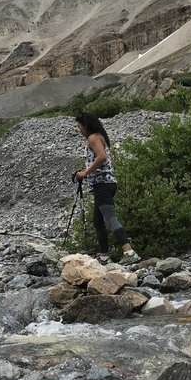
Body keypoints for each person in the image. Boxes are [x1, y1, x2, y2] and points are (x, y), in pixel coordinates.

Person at [73, 113, 141, 266]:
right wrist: (89, 170)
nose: (79, 130)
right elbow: (109, 161)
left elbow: (102, 157)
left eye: (79, 126)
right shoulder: (101, 137)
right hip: (105, 183)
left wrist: (85, 172)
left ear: (86, 125)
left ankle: (129, 252)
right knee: (98, 221)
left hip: (102, 184)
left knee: (111, 218)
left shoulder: (93, 138)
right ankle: (104, 256)